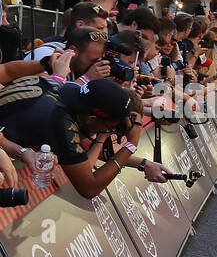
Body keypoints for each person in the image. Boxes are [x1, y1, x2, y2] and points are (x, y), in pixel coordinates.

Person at [0, 74, 170, 199]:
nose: (108, 132)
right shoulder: (62, 122)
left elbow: (82, 153)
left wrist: (144, 163)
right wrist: (131, 144)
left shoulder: (63, 87)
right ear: (92, 119)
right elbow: (89, 188)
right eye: (109, 128)